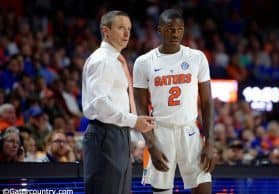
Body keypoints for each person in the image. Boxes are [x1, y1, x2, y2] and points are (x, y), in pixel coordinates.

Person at [133, 9, 216, 194]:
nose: (175, 33)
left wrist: (210, 143)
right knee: (162, 191)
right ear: (159, 30)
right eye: (170, 29)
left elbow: (207, 103)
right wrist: (151, 144)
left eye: (180, 29)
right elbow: (140, 107)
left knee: (204, 188)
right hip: (160, 132)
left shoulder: (197, 57)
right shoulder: (144, 62)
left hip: (190, 130)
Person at [81, 10, 155, 194]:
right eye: (121, 28)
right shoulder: (102, 60)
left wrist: (133, 121)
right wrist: (133, 120)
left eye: (129, 28)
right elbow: (100, 103)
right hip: (105, 134)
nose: (127, 33)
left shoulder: (115, 60)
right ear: (106, 31)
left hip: (118, 134)